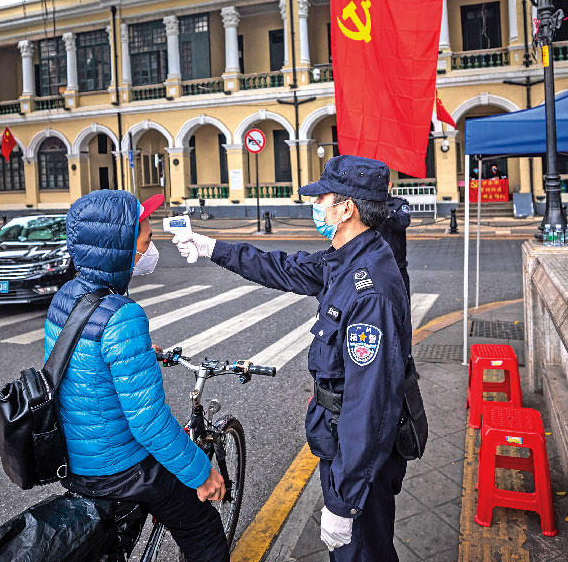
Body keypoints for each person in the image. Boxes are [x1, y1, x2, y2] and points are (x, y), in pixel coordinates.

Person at [174, 155, 412, 562]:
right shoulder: (350, 256)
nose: (316, 206)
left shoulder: (368, 285)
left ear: (347, 208)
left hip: (357, 457)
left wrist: (344, 502)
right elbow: (282, 266)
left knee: (363, 554)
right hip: (340, 441)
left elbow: (369, 407)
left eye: (323, 199)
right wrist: (213, 247)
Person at [46, 190, 228, 562]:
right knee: (204, 530)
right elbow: (148, 423)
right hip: (118, 468)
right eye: (145, 240)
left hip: (75, 457)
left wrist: (141, 353)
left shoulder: (66, 296)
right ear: (119, 248)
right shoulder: (122, 314)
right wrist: (202, 474)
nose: (150, 247)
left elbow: (84, 363)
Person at [375, 182, 411, 301]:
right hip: (374, 267)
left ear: (389, 184)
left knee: (401, 307)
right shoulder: (366, 206)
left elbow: (403, 222)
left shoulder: (399, 203)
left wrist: (384, 213)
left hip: (397, 267)